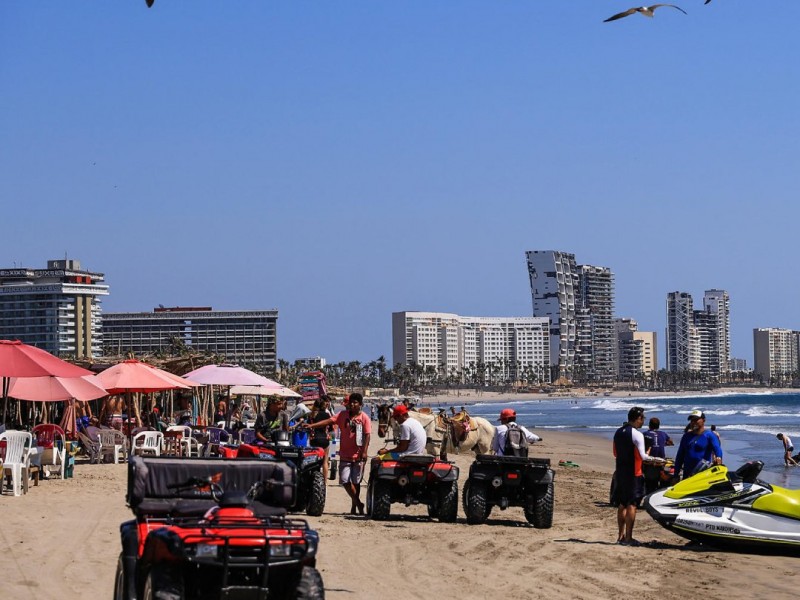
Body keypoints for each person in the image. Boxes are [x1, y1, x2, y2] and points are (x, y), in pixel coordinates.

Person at [305, 392, 371, 515]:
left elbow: (367, 435)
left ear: (360, 404)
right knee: (345, 481)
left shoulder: (364, 418)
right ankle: (358, 503)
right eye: (351, 402)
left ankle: (354, 507)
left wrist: (365, 451)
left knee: (356, 482)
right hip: (345, 454)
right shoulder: (342, 415)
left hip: (359, 454)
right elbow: (328, 421)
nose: (352, 404)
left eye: (355, 402)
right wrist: (312, 425)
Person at [612, 407, 662, 546]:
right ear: (637, 418)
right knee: (632, 504)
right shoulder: (636, 434)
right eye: (642, 419)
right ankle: (628, 538)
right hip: (634, 473)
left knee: (622, 504)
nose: (643, 422)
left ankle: (620, 536)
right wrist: (655, 459)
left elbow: (615, 453)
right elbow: (643, 456)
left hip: (620, 472)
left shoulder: (618, 432)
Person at [673, 409, 723, 480]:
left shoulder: (709, 435)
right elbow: (679, 456)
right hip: (688, 475)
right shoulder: (686, 436)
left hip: (703, 474)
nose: (693, 422)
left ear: (704, 420)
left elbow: (717, 448)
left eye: (696, 420)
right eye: (692, 420)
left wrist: (719, 457)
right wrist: (675, 474)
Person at [641, 417, 672, 494]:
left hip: (650, 461)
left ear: (649, 425)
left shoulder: (645, 434)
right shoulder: (663, 434)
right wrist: (663, 444)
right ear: (658, 426)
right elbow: (671, 442)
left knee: (649, 482)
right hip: (661, 461)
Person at [309, 396, 333, 481]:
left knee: (313, 461)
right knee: (325, 461)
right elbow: (331, 429)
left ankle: (313, 479)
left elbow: (309, 428)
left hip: (314, 439)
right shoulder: (326, 415)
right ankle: (325, 482)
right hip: (324, 439)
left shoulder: (311, 415)